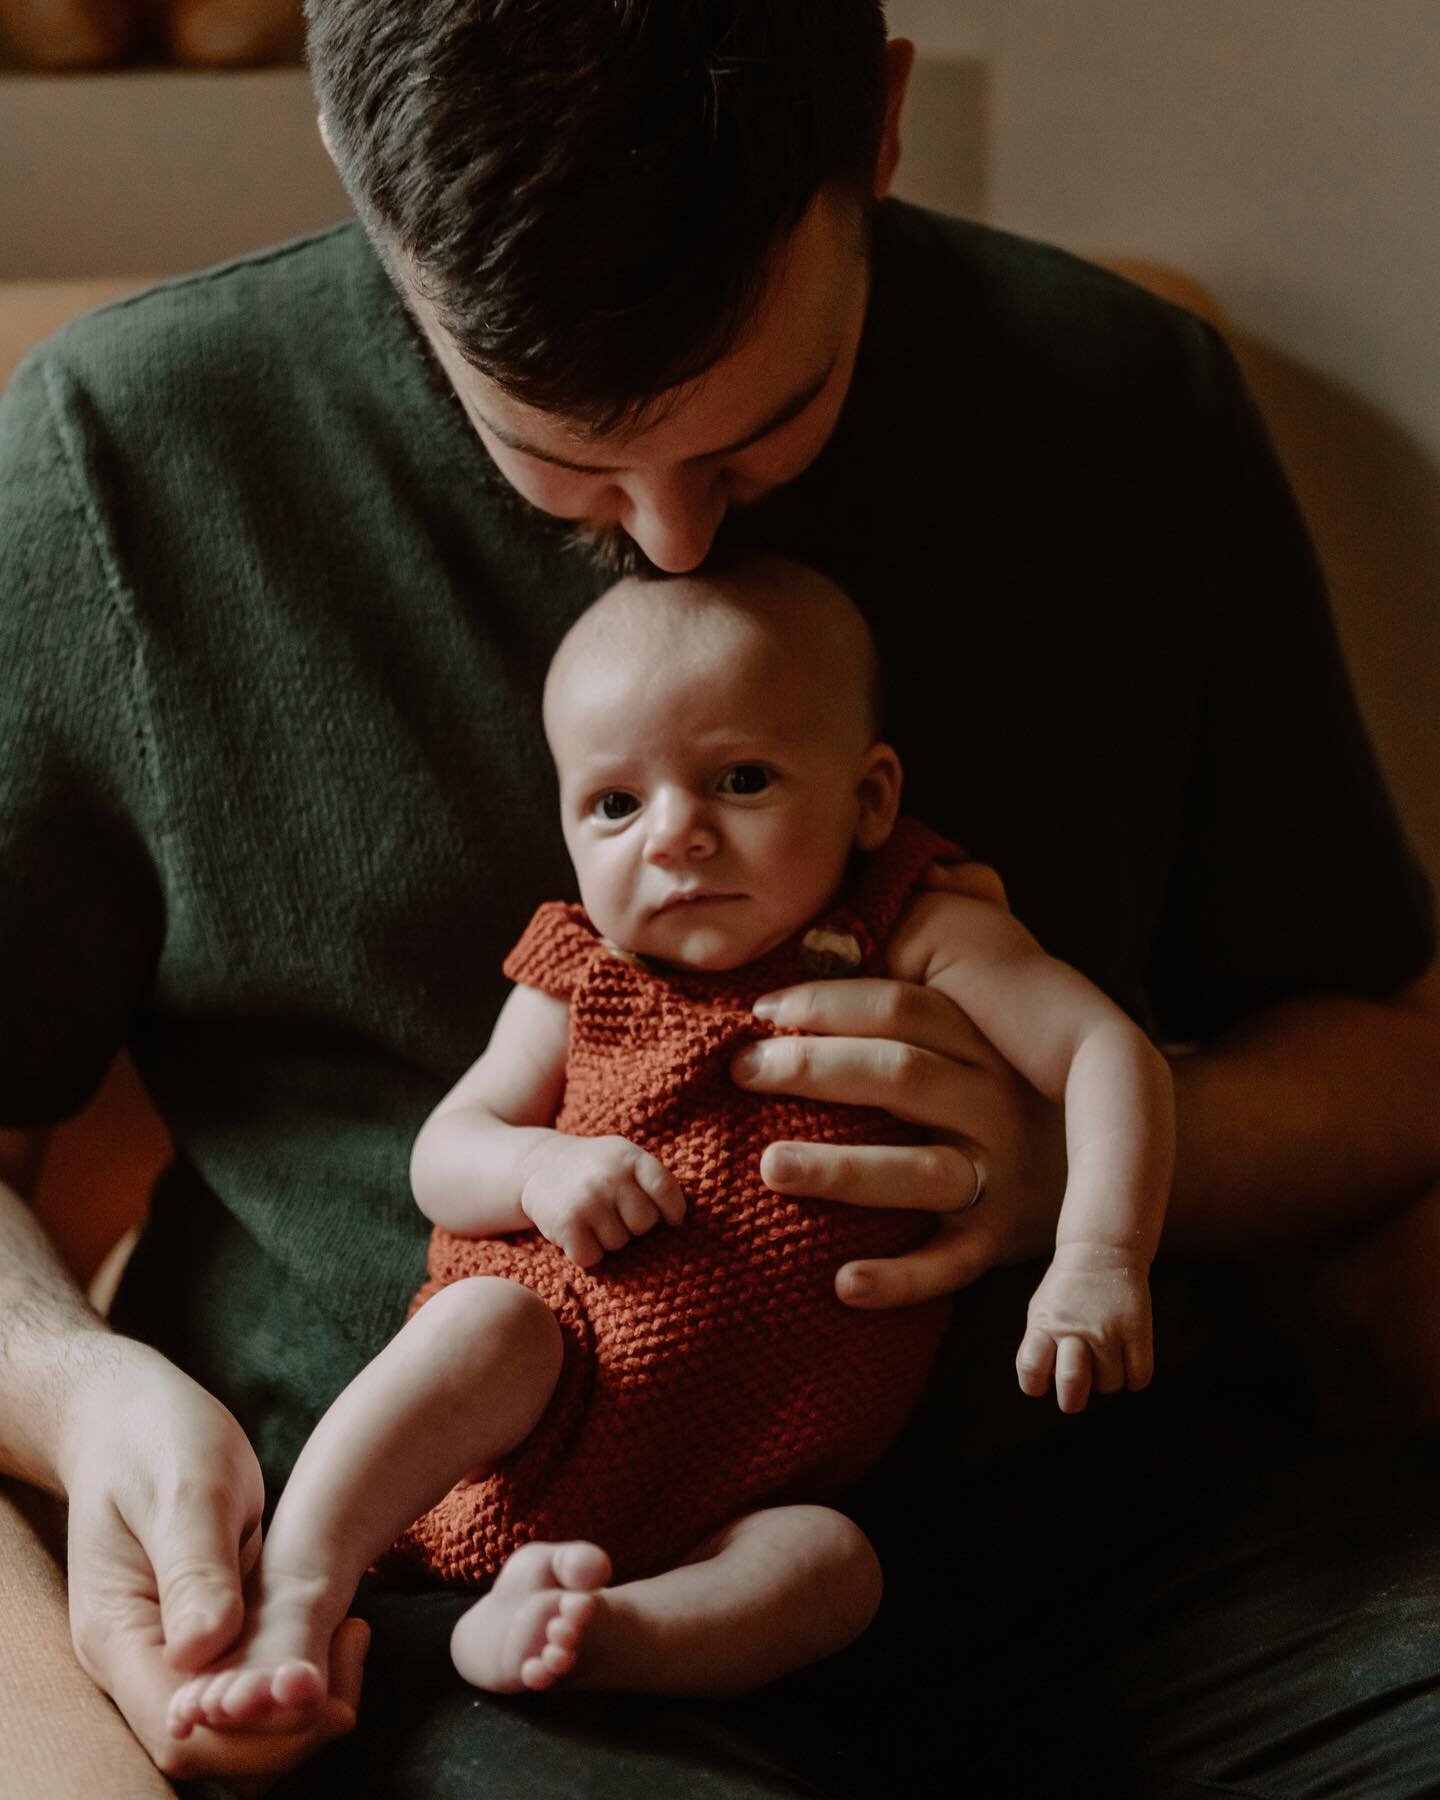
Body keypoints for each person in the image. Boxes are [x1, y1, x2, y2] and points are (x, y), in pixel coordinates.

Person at [0, 2, 1436, 1794]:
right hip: (489, 1603)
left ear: (885, 126)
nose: (677, 542)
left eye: (766, 429)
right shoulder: (122, 458)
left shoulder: (1128, 396)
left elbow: (1388, 1051)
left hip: (1141, 1553)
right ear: (362, 186)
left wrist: (1085, 1185)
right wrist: (82, 1392)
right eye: (565, 453)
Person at [162, 557, 1171, 1753]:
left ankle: (599, 1636)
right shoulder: (579, 972)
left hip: (750, 1488)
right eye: (615, 806)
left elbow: (1108, 1051)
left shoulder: (915, 929)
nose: (677, 838)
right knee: (482, 1324)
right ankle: (296, 1598)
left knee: (833, 1571)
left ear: (870, 798)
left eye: (740, 780)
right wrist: (539, 1168)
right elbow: (447, 1152)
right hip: (541, 1389)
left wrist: (1100, 1251)